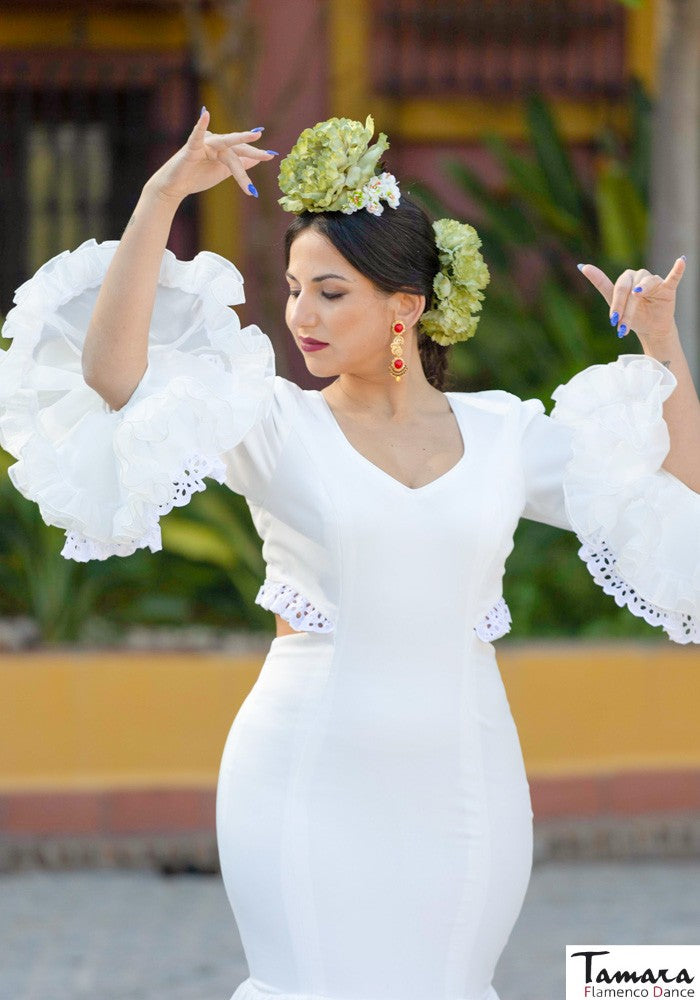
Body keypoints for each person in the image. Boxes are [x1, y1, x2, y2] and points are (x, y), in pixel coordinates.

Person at [0, 109, 698, 1000]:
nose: (300, 315)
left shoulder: (505, 433)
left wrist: (661, 340)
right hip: (301, 776)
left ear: (405, 307)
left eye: (331, 293)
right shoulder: (271, 421)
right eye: (293, 289)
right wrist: (162, 194)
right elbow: (111, 378)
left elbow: (680, 489)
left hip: (465, 780)